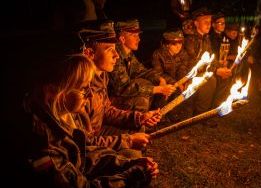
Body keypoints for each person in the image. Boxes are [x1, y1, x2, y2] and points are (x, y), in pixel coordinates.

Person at [24, 54, 159, 187]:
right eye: (83, 88)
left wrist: (127, 164)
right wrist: (129, 178)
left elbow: (85, 154)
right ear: (54, 92)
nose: (90, 93)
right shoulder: (46, 146)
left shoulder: (66, 113)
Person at [79, 21, 162, 151]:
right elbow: (83, 144)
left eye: (115, 49)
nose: (116, 55)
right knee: (131, 152)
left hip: (97, 131)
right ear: (89, 53)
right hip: (88, 146)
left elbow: (105, 110)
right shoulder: (79, 89)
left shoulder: (101, 76)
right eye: (110, 50)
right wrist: (128, 141)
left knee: (138, 127)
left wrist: (139, 117)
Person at [108, 19, 176, 112]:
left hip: (120, 95)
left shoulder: (128, 54)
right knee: (142, 98)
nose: (139, 39)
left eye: (138, 35)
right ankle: (138, 123)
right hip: (110, 99)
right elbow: (123, 87)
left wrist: (159, 79)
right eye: (134, 35)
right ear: (122, 39)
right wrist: (157, 89)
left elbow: (142, 71)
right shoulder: (115, 56)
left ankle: (154, 117)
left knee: (150, 84)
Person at [183, 7, 218, 114]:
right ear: (196, 23)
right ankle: (200, 113)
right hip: (188, 72)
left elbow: (212, 56)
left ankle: (210, 107)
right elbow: (192, 61)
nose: (209, 25)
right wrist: (212, 71)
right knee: (210, 81)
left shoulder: (205, 37)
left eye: (210, 22)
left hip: (201, 70)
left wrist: (215, 68)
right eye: (205, 22)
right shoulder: (190, 39)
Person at [151, 28, 192, 121]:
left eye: (180, 43)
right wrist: (176, 83)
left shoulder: (183, 53)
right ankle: (159, 116)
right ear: (167, 44)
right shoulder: (158, 54)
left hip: (178, 81)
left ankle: (176, 114)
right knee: (167, 91)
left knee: (187, 88)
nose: (178, 46)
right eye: (174, 44)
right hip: (163, 82)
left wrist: (183, 81)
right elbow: (158, 73)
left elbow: (183, 68)